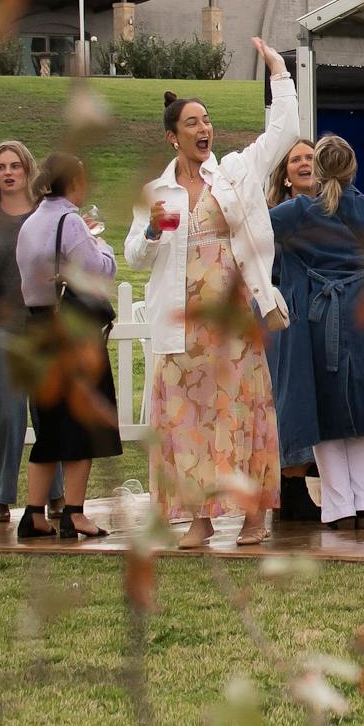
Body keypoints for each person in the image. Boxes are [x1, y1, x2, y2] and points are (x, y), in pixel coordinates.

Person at [127, 37, 298, 549]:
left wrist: (278, 72)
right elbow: (136, 255)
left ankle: (251, 517)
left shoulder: (236, 173)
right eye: (192, 124)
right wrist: (155, 230)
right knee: (186, 423)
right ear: (171, 137)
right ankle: (198, 519)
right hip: (182, 328)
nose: (204, 130)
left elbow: (283, 131)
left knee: (241, 414)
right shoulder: (157, 193)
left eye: (206, 122)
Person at [267, 135, 364, 529]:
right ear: (353, 168)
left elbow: (251, 226)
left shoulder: (298, 212)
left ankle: (338, 508)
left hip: (321, 320)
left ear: (317, 172)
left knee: (325, 410)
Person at [14, 152, 123, 540]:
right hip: (72, 333)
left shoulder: (30, 222)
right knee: (82, 422)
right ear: (74, 182)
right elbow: (98, 271)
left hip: (38, 325)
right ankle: (74, 512)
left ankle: (33, 512)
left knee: (49, 425)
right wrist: (102, 243)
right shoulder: (70, 221)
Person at [0, 139, 61, 523]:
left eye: (15, 166)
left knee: (48, 410)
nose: (8, 173)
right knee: (6, 409)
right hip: (0, 330)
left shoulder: (47, 215)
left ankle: (54, 493)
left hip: (42, 326)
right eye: (1, 166)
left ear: (27, 170)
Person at [263, 138, 324, 524]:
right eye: (296, 159)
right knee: (293, 396)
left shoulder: (335, 209)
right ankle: (291, 485)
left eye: (311, 157)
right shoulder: (279, 215)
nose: (304, 163)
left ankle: (317, 481)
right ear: (285, 176)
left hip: (325, 313)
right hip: (288, 314)